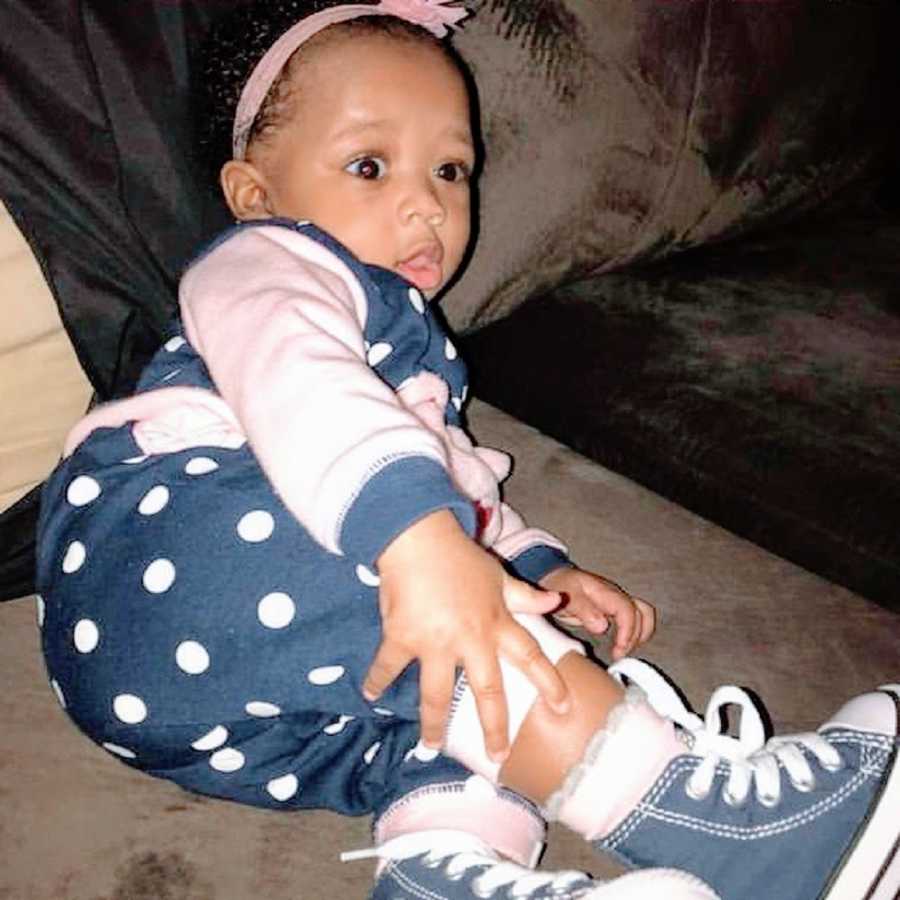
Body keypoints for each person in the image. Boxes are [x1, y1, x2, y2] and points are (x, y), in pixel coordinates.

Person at [35, 2, 899, 899]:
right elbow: (304, 390)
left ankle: (443, 869)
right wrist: (423, 542)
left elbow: (452, 474)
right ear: (256, 194)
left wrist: (532, 565)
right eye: (369, 166)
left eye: (451, 169)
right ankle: (720, 823)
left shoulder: (415, 363)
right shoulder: (264, 264)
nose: (426, 203)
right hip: (169, 560)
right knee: (464, 616)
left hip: (263, 711)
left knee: (450, 703)